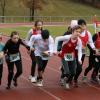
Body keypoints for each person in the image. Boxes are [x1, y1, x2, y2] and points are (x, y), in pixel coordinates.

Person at [73, 19, 96, 87]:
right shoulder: (76, 32)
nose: (83, 27)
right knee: (72, 67)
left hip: (82, 53)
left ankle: (75, 79)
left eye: (84, 25)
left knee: (79, 68)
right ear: (78, 26)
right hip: (74, 52)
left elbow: (91, 42)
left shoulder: (88, 33)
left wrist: (94, 48)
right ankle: (65, 75)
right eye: (81, 25)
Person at [57, 20, 78, 85]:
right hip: (66, 52)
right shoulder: (66, 34)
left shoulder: (78, 33)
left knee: (74, 68)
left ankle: (69, 79)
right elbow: (60, 42)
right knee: (66, 67)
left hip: (73, 52)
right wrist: (59, 49)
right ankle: (63, 78)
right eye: (74, 26)